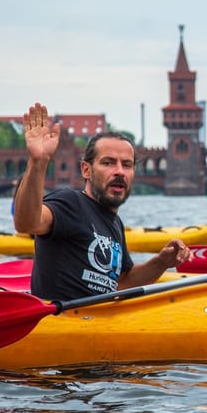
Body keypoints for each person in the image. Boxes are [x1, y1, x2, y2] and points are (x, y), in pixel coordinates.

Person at [14, 102, 193, 300]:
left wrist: (161, 262)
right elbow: (27, 223)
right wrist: (38, 162)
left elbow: (122, 282)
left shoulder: (115, 223)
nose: (119, 171)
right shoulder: (70, 203)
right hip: (61, 323)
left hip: (99, 320)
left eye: (127, 165)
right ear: (86, 170)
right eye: (108, 163)